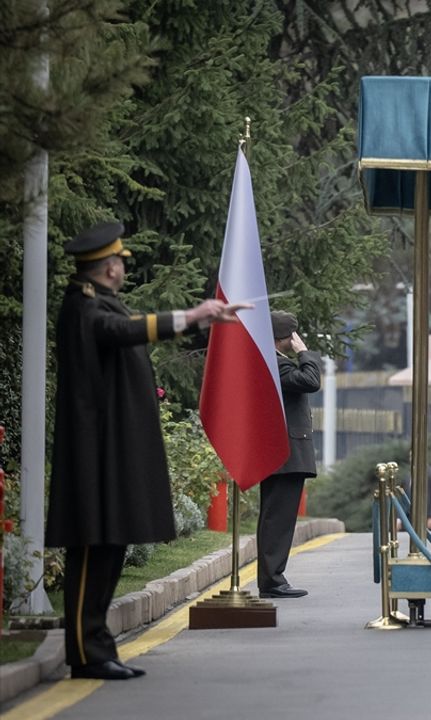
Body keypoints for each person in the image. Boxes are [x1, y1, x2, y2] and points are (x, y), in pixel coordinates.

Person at [45, 221, 246, 681]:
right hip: (93, 452)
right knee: (93, 547)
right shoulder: (83, 306)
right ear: (108, 268)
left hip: (108, 449)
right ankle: (85, 653)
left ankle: (98, 647)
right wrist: (192, 316)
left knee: (110, 546)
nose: (122, 268)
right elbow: (119, 330)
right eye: (119, 262)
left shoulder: (100, 301)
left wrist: (198, 318)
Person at [256, 312, 321, 599]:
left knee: (276, 518)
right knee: (278, 520)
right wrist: (304, 352)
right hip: (286, 453)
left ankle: (272, 578)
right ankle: (272, 581)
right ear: (286, 337)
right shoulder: (277, 364)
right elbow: (311, 381)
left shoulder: (272, 362)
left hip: (283, 452)